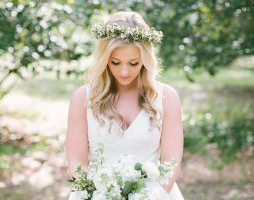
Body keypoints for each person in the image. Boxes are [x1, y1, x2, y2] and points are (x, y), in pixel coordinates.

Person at [65, 11, 185, 200]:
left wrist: (149, 196)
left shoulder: (166, 98)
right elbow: (76, 163)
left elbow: (172, 163)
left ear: (145, 60)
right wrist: (98, 195)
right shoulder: (83, 98)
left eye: (133, 63)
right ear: (105, 60)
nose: (124, 71)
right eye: (115, 62)